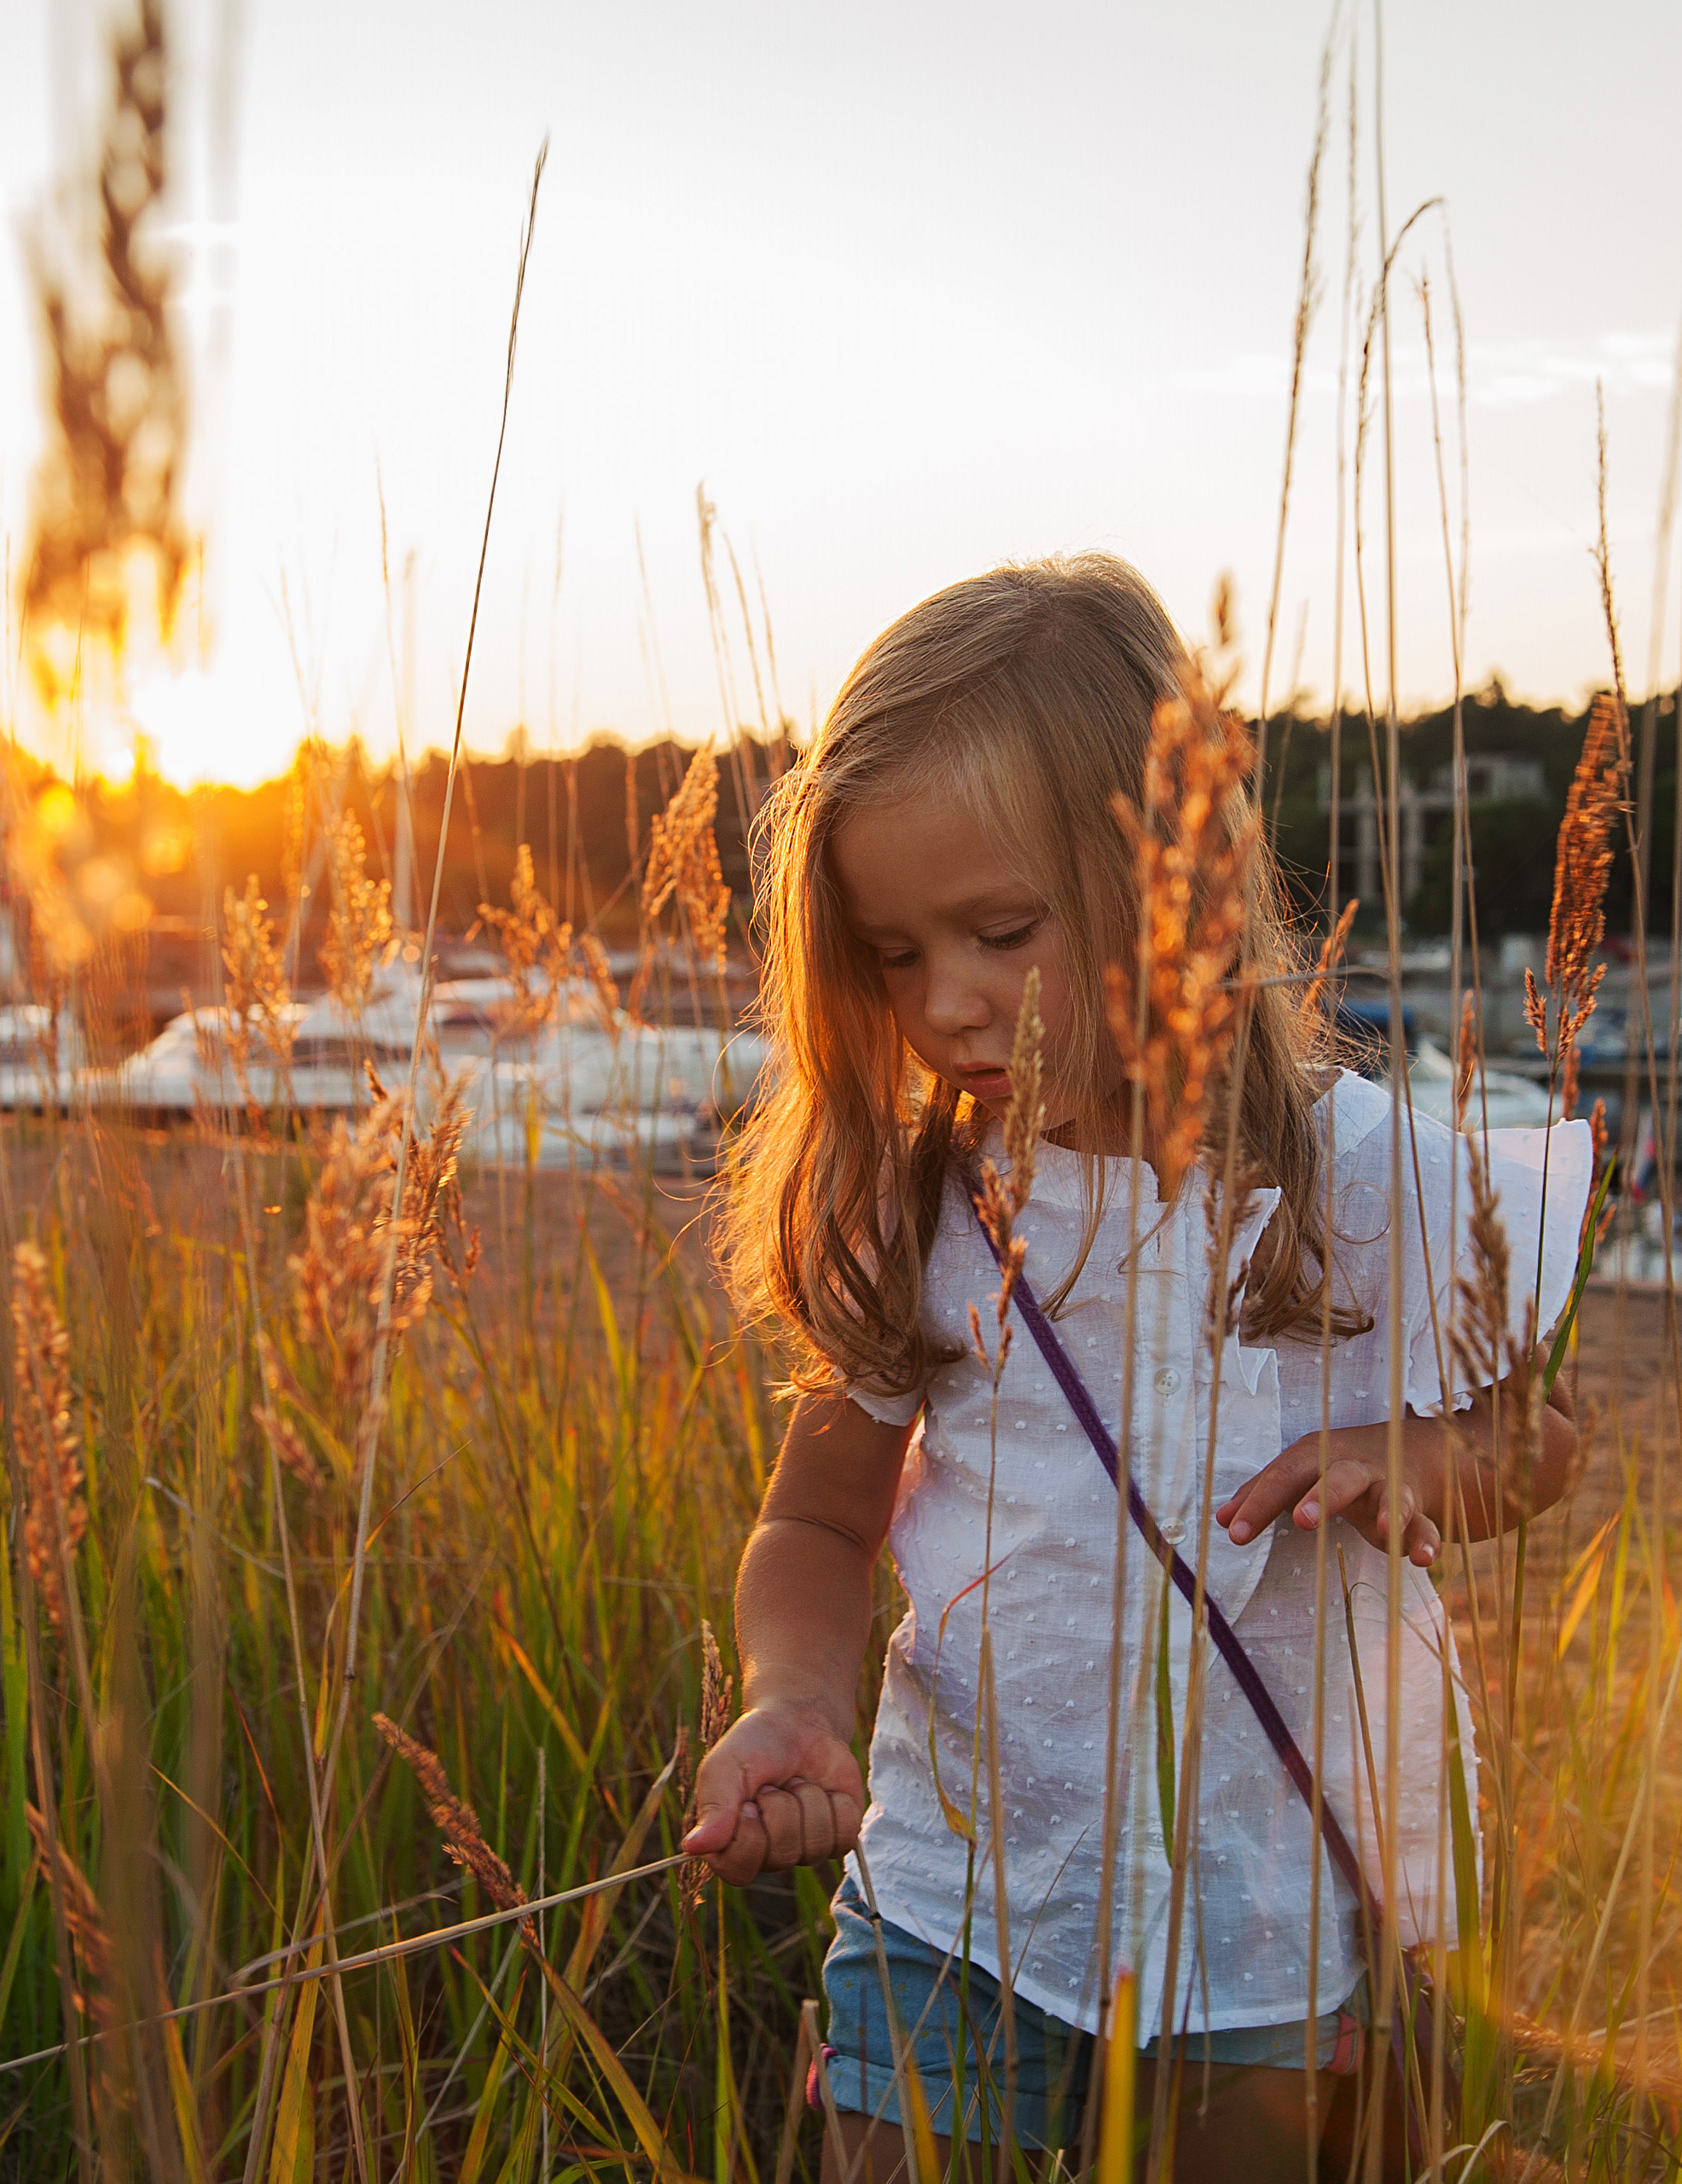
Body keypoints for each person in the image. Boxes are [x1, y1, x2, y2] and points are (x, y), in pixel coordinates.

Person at [682, 555, 1589, 2181]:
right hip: (957, 1888)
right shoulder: (917, 1205)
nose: (947, 1003)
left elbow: (1543, 1433)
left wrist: (1422, 1463)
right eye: (891, 954)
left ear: (1178, 885)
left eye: (999, 932)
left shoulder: (1364, 1182)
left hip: (1265, 1913)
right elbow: (816, 1519)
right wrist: (794, 1698)